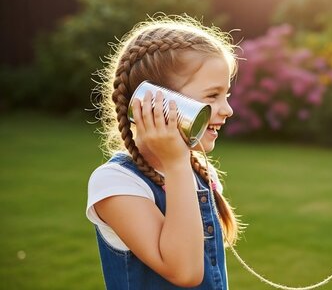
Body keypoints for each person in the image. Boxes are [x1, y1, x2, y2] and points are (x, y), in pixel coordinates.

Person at [86, 16, 241, 289]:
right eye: (212, 96)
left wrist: (179, 164)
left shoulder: (195, 169)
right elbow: (185, 272)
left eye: (226, 95)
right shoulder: (116, 183)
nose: (227, 109)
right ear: (156, 101)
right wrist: (176, 163)